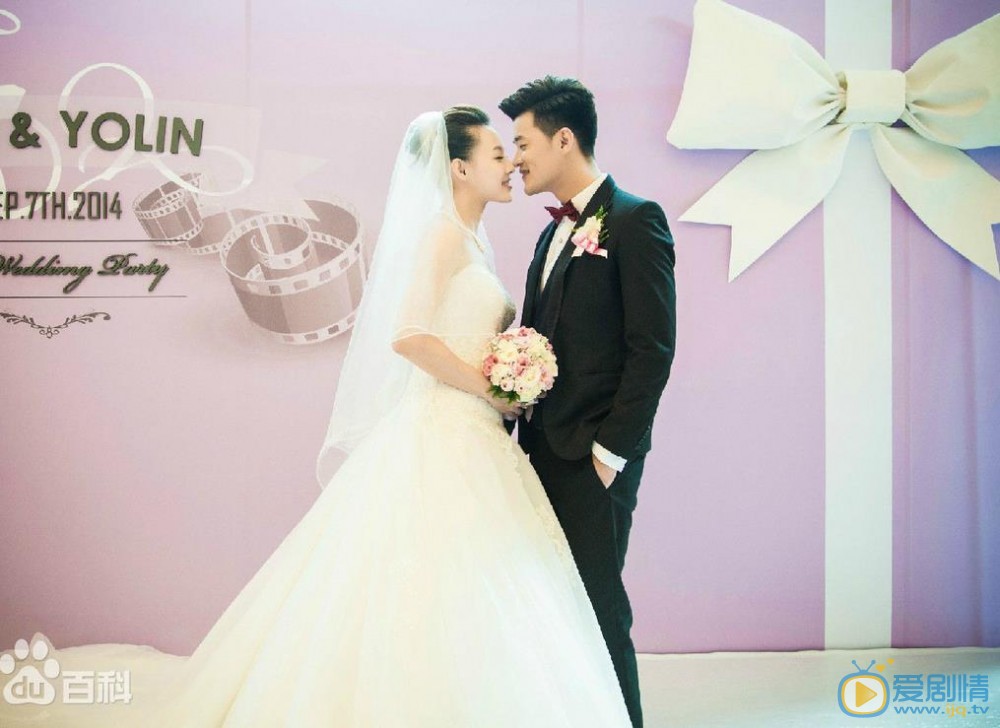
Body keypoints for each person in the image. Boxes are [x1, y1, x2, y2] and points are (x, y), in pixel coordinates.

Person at [0, 107, 633, 727]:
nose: (511, 163)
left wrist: (509, 375)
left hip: (475, 433)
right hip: (446, 426)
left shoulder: (473, 239)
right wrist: (489, 389)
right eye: (498, 153)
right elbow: (409, 335)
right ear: (460, 169)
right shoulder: (442, 233)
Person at [499, 76, 677, 728]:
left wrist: (609, 455)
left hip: (593, 459)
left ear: (564, 139)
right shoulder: (549, 234)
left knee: (599, 609)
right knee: (550, 610)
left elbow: (652, 349)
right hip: (540, 452)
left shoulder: (634, 219)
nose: (515, 158)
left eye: (523, 142)